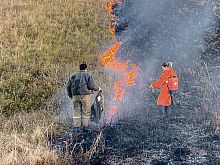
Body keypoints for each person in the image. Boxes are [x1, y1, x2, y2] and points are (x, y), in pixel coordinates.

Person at [66, 63, 101, 128]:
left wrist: (70, 95)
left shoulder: (73, 75)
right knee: (86, 112)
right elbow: (91, 86)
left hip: (75, 96)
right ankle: (85, 126)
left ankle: (77, 126)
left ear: (79, 68)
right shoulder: (88, 75)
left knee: (76, 112)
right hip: (85, 96)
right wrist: (98, 88)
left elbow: (68, 86)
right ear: (86, 68)